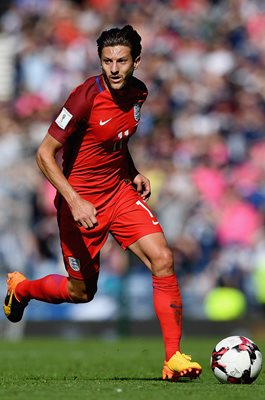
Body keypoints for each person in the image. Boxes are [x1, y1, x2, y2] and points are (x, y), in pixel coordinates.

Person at [3, 25, 202, 381]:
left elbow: (115, 141)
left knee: (163, 258)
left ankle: (173, 358)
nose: (113, 68)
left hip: (119, 193)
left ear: (136, 61)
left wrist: (134, 170)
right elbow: (44, 154)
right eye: (107, 60)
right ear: (100, 61)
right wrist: (75, 200)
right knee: (82, 293)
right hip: (80, 206)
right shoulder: (84, 97)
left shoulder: (139, 93)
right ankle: (22, 288)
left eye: (121, 60)